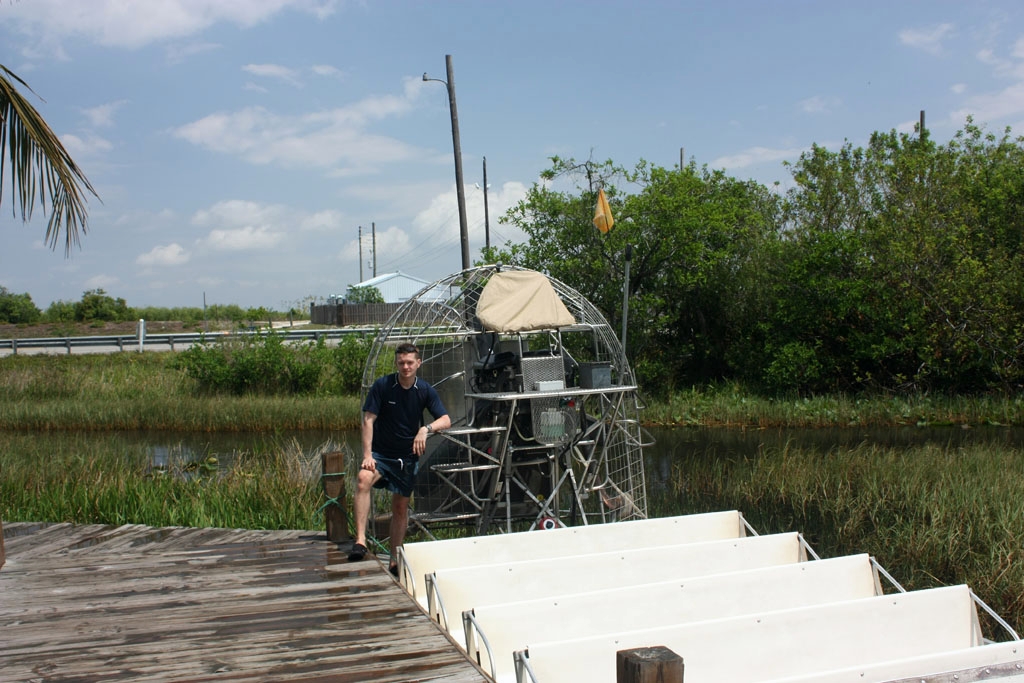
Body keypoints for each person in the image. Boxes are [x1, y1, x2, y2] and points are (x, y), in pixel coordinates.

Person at [348, 342, 450, 575]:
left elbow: (445, 419)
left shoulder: (424, 390)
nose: (405, 367)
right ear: (396, 363)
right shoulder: (383, 386)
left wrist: (425, 429)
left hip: (407, 457)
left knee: (400, 507)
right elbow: (368, 420)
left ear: (418, 363)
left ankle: (394, 558)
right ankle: (361, 540)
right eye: (401, 363)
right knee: (363, 478)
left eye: (410, 363)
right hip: (381, 454)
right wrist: (367, 455)